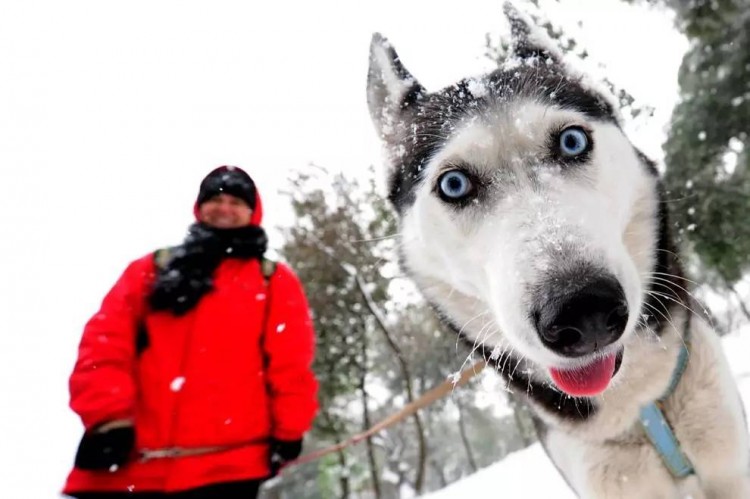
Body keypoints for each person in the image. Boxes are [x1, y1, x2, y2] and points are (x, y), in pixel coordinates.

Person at [62, 166, 319, 498]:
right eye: (216, 199)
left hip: (228, 469)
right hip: (126, 464)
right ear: (199, 207)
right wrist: (109, 419)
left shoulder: (274, 281)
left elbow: (290, 366)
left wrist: (289, 431)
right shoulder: (151, 269)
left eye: (236, 202)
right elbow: (103, 346)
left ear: (253, 212)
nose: (224, 208)